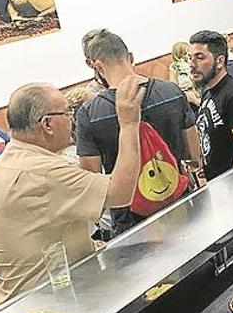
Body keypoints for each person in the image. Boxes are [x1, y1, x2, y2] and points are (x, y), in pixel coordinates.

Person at [0, 79, 144, 303]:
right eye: (67, 113)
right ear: (47, 124)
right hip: (51, 299)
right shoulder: (44, 172)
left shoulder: (3, 164)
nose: (72, 120)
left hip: (25, 296)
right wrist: (129, 124)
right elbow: (120, 193)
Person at [77, 29, 199, 235]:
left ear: (96, 66)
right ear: (130, 57)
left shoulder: (90, 114)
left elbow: (92, 181)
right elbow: (194, 155)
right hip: (180, 204)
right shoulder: (172, 92)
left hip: (132, 222)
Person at [190, 31, 233, 181]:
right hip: (215, 185)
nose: (192, 65)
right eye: (190, 58)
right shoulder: (207, 91)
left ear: (220, 61)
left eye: (199, 58)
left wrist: (230, 188)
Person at [168, 41, 202, 110]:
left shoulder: (194, 62)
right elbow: (173, 85)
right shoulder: (174, 67)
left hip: (199, 91)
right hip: (186, 94)